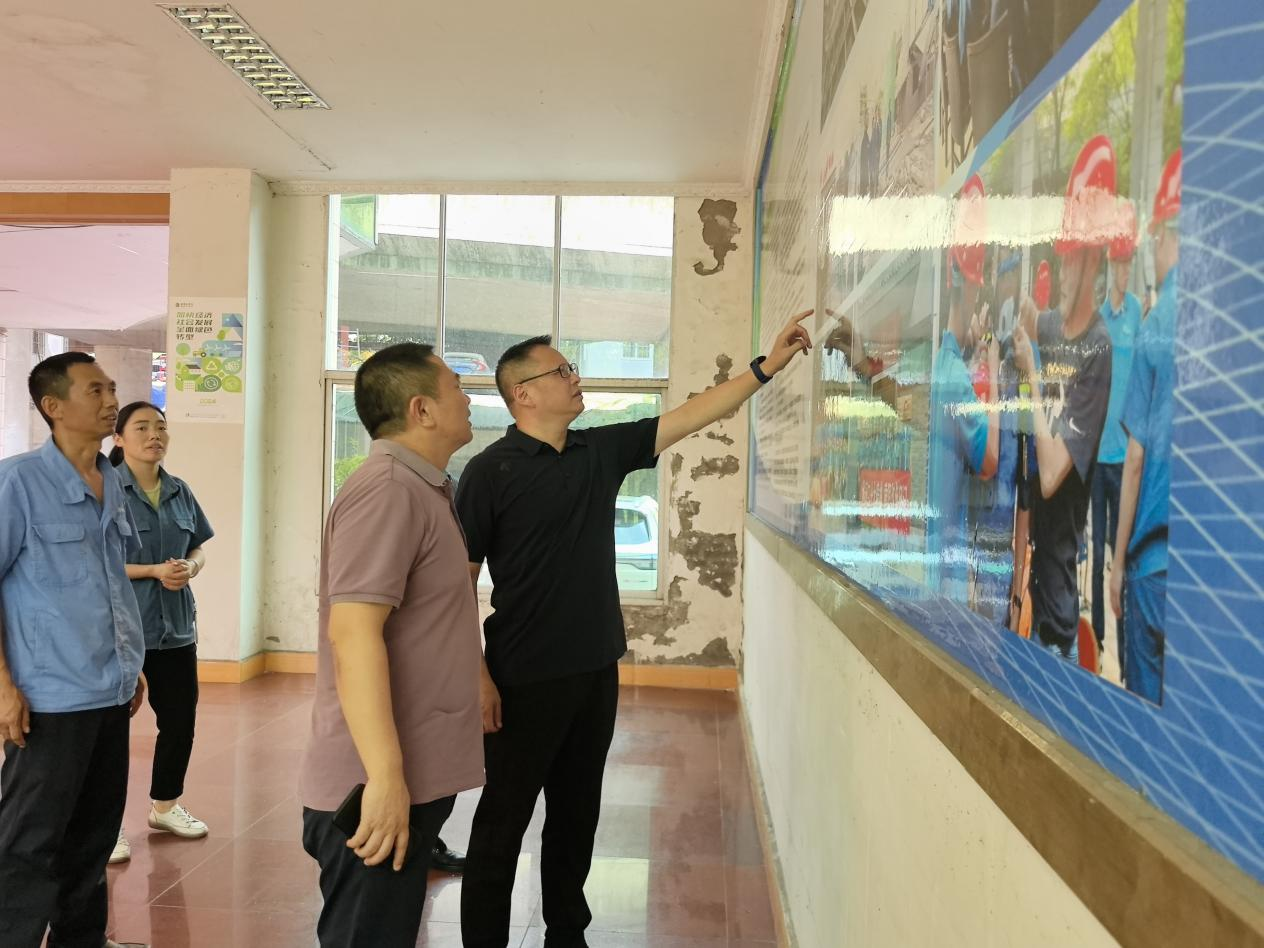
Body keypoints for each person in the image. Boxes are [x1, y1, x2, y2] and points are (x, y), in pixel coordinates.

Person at [456, 309, 814, 948]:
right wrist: (477, 674)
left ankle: (567, 932)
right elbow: (458, 585)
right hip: (521, 677)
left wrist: (765, 368)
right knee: (502, 823)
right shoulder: (490, 472)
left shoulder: (598, 451)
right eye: (561, 371)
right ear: (523, 394)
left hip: (595, 668)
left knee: (577, 813)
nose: (575, 377)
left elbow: (693, 414)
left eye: (571, 368)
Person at [298, 343, 484, 948]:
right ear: (421, 409)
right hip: (372, 782)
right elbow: (353, 634)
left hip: (407, 769)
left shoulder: (423, 487)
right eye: (457, 387)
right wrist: (383, 778)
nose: (469, 398)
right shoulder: (387, 490)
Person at [0, 351, 149, 948]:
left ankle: (82, 941)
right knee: (29, 842)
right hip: (50, 698)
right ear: (53, 407)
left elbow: (111, 581)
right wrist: (4, 687)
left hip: (109, 691)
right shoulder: (17, 483)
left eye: (111, 388)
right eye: (95, 390)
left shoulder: (112, 481)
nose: (111, 399)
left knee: (93, 836)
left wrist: (129, 662)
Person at [1013, 135, 1118, 663]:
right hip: (1031, 590)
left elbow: (1053, 473)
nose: (1066, 268)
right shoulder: (1056, 327)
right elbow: (1033, 321)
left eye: (1075, 258)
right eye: (1064, 257)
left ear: (1094, 259)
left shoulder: (1098, 350)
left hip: (1056, 617)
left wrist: (1033, 373)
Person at [108, 401, 215, 864]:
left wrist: (191, 566)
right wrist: (152, 570)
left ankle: (165, 806)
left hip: (176, 629)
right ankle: (106, 825)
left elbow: (199, 546)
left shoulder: (178, 490)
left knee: (179, 721)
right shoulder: (106, 490)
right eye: (142, 428)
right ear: (118, 438)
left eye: (161, 427)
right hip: (123, 630)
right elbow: (98, 561)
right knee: (110, 732)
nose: (155, 435)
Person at [1111, 149, 1181, 704]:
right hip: (1207, 579)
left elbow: (1135, 459)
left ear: (1168, 237)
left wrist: (1116, 567)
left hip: (1152, 569)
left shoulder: (1156, 323)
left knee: (1142, 721)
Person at [927, 174, 1000, 602]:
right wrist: (994, 372)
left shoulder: (942, 362)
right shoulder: (956, 377)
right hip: (949, 574)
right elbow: (989, 458)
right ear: (972, 284)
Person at [1091, 205, 1142, 661]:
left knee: (1119, 552)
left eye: (1129, 264)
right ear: (1111, 266)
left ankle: (1124, 650)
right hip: (1099, 453)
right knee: (1096, 548)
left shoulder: (1138, 316)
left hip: (1127, 457)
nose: (1125, 271)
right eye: (1120, 264)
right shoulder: (1100, 319)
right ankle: (1098, 639)